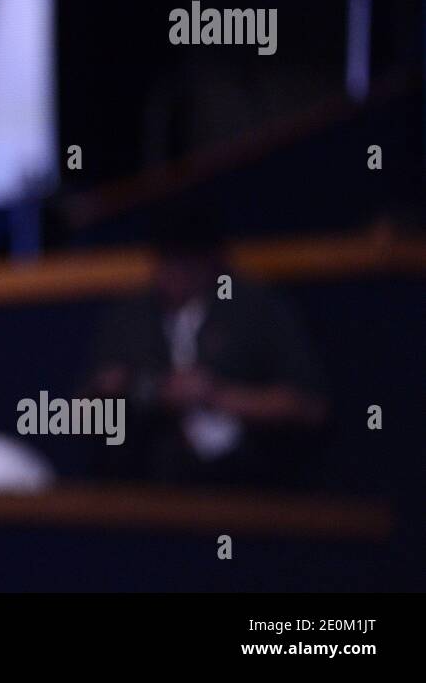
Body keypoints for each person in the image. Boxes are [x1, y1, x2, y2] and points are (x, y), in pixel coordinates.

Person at [80, 206, 329, 488]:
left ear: (212, 259)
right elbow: (83, 413)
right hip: (144, 480)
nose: (173, 274)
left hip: (248, 481)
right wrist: (118, 392)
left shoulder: (254, 308)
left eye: (186, 261)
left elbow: (310, 408)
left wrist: (215, 396)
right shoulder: (131, 315)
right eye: (165, 260)